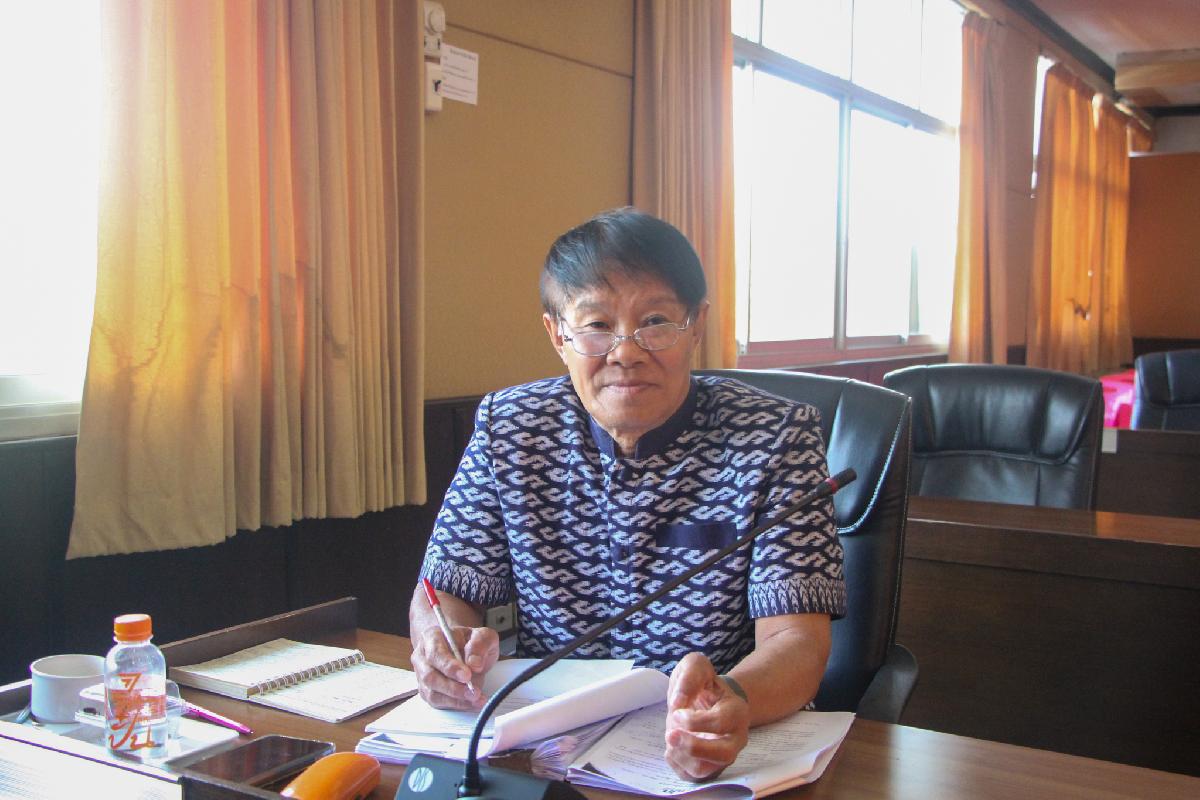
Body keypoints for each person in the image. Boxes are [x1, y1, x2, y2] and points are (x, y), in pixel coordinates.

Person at [409, 207, 845, 781]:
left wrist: (734, 698)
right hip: (549, 751)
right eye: (596, 325)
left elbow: (797, 640)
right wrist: (442, 648)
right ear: (558, 335)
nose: (626, 352)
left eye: (655, 321)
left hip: (716, 753)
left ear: (696, 325)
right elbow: (444, 589)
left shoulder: (775, 436)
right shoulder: (511, 428)